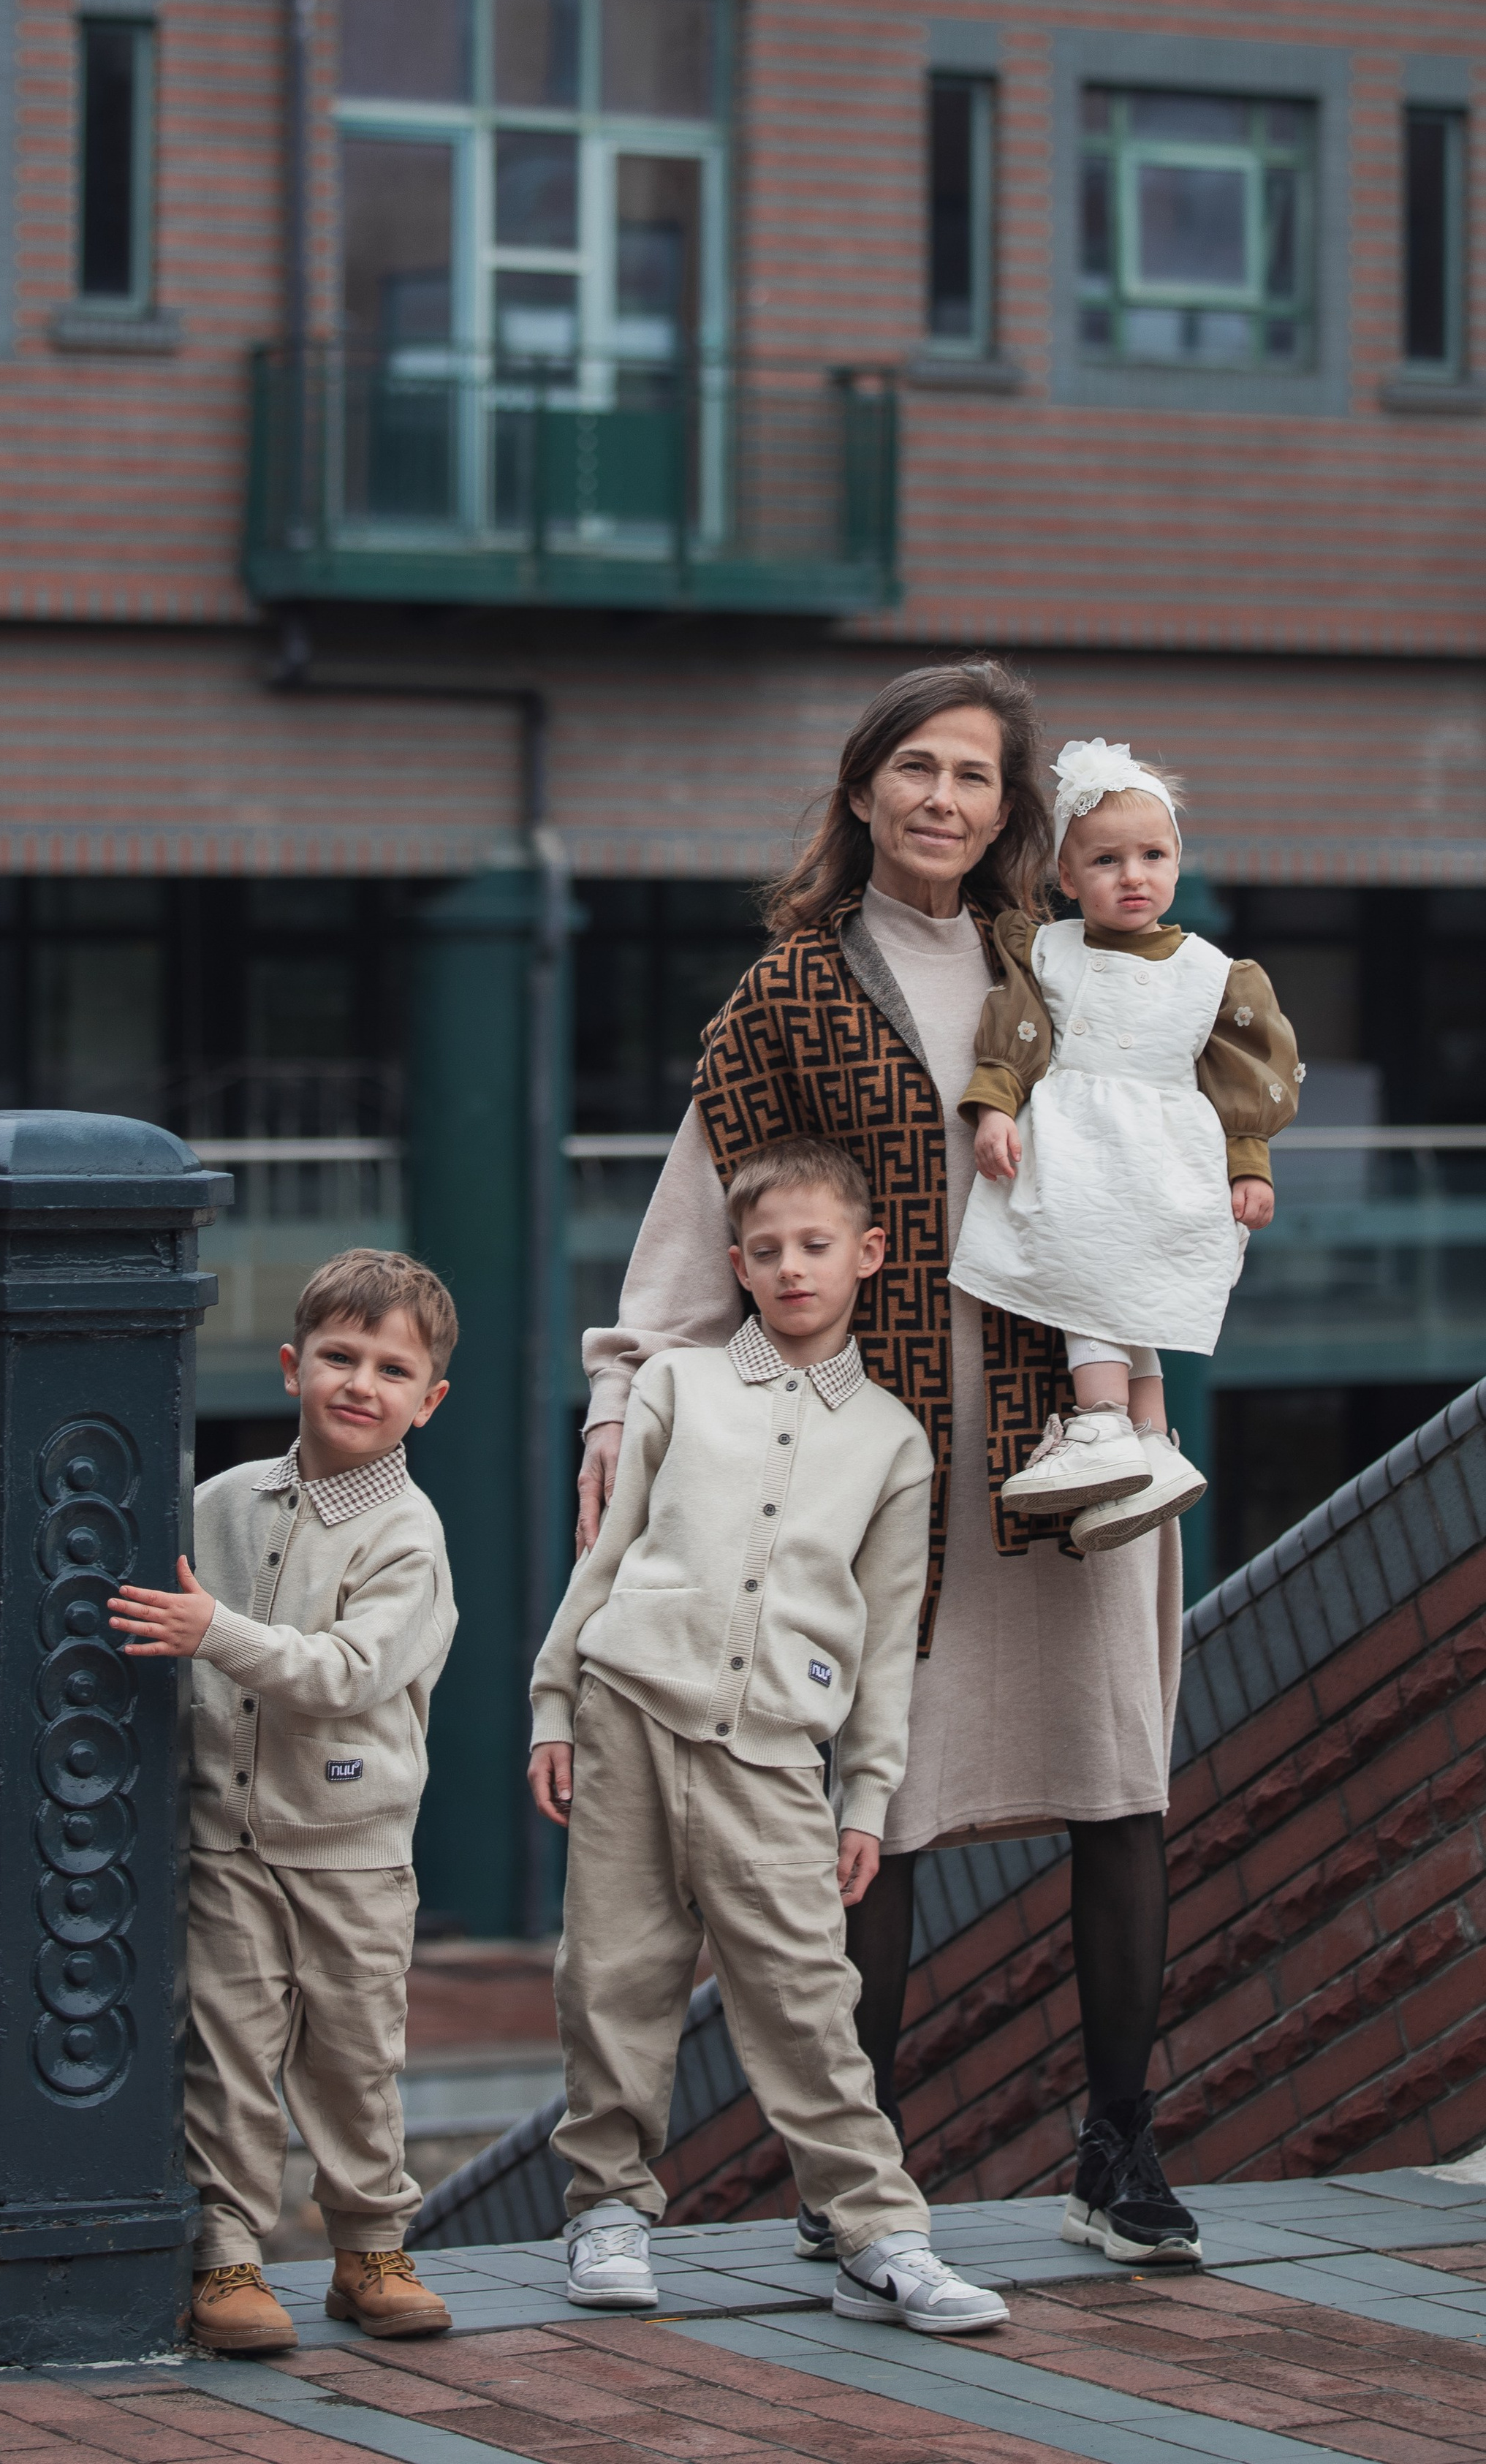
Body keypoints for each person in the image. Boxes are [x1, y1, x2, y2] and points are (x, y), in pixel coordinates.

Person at [577, 659, 1211, 2275]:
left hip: (1079, 1423)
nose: (943, 799)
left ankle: (1117, 2142)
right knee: (885, 1812)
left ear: (1014, 812)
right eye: (913, 768)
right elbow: (699, 1223)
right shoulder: (785, 992)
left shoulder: (1061, 960)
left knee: (1118, 1781)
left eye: (975, 778)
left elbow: (1168, 1129)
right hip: (883, 1453)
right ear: (861, 789)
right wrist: (618, 1405)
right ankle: (852, 2185)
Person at [531, 1132, 1009, 2338]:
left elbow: (891, 1636)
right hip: (628, 1710)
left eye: (815, 1246)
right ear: (737, 1265)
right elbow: (608, 1550)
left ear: (868, 1254)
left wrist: (867, 1797)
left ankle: (879, 2236)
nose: (793, 1268)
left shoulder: (897, 1443)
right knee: (613, 1976)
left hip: (777, 1756)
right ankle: (606, 2211)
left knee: (806, 1994)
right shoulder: (679, 1386)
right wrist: (553, 1701)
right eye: (767, 1251)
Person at [110, 1248, 460, 2354]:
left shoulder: (410, 1535)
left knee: (355, 2051)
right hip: (224, 1837)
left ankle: (369, 2245)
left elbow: (346, 1673)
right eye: (339, 1357)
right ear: (290, 1364)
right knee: (226, 2049)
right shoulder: (216, 1505)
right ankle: (227, 2254)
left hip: (353, 1847)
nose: (361, 1383)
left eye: (391, 1369)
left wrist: (214, 1631)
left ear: (429, 1400)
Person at [951, 738, 1300, 1553]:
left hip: (1162, 1153)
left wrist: (1249, 1161)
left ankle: (1100, 1422)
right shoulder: (1046, 949)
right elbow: (1018, 1037)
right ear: (1068, 880)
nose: (1131, 875)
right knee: (1096, 1268)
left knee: (1111, 1276)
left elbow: (1238, 1080)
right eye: (1105, 860)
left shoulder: (1215, 973)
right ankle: (1149, 1440)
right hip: (1078, 1139)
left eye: (1151, 855)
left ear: (1178, 863)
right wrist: (996, 1109)